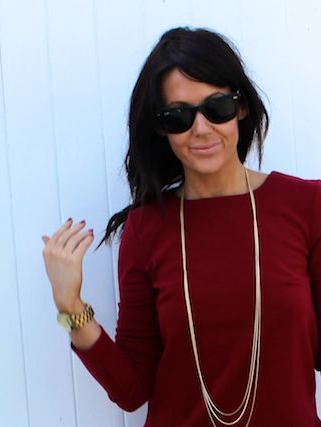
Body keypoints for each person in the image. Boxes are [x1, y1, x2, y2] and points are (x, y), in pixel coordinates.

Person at [41, 26, 321, 426]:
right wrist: (71, 307)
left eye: (217, 107)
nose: (201, 128)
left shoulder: (306, 205)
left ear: (241, 107)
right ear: (161, 128)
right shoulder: (146, 230)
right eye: (179, 116)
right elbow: (132, 390)